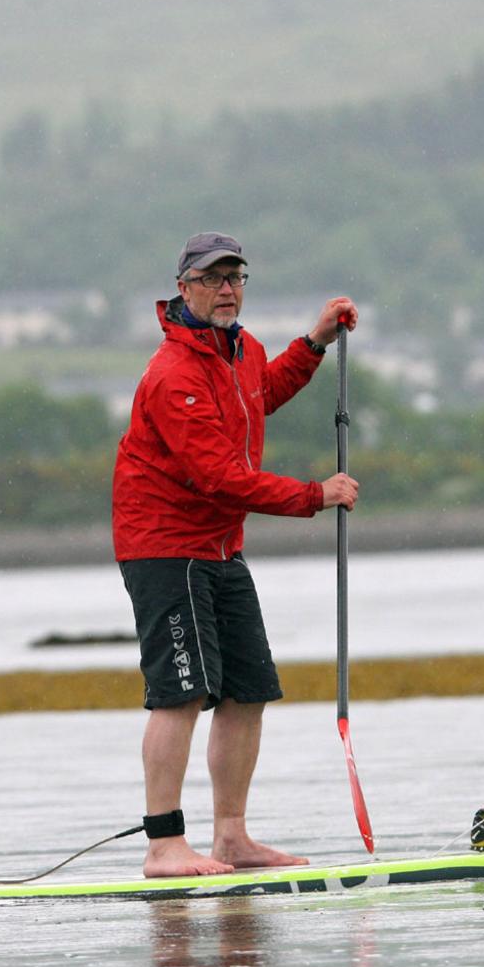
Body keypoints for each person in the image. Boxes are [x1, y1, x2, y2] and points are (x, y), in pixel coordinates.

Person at [112, 231, 359, 877]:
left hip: (221, 548)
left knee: (248, 691)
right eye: (213, 278)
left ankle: (231, 839)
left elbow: (262, 393)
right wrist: (314, 495)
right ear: (184, 288)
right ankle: (164, 845)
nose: (227, 289)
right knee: (181, 694)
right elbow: (218, 474)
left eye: (236, 277)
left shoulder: (241, 350)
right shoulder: (174, 374)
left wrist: (314, 344)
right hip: (165, 549)